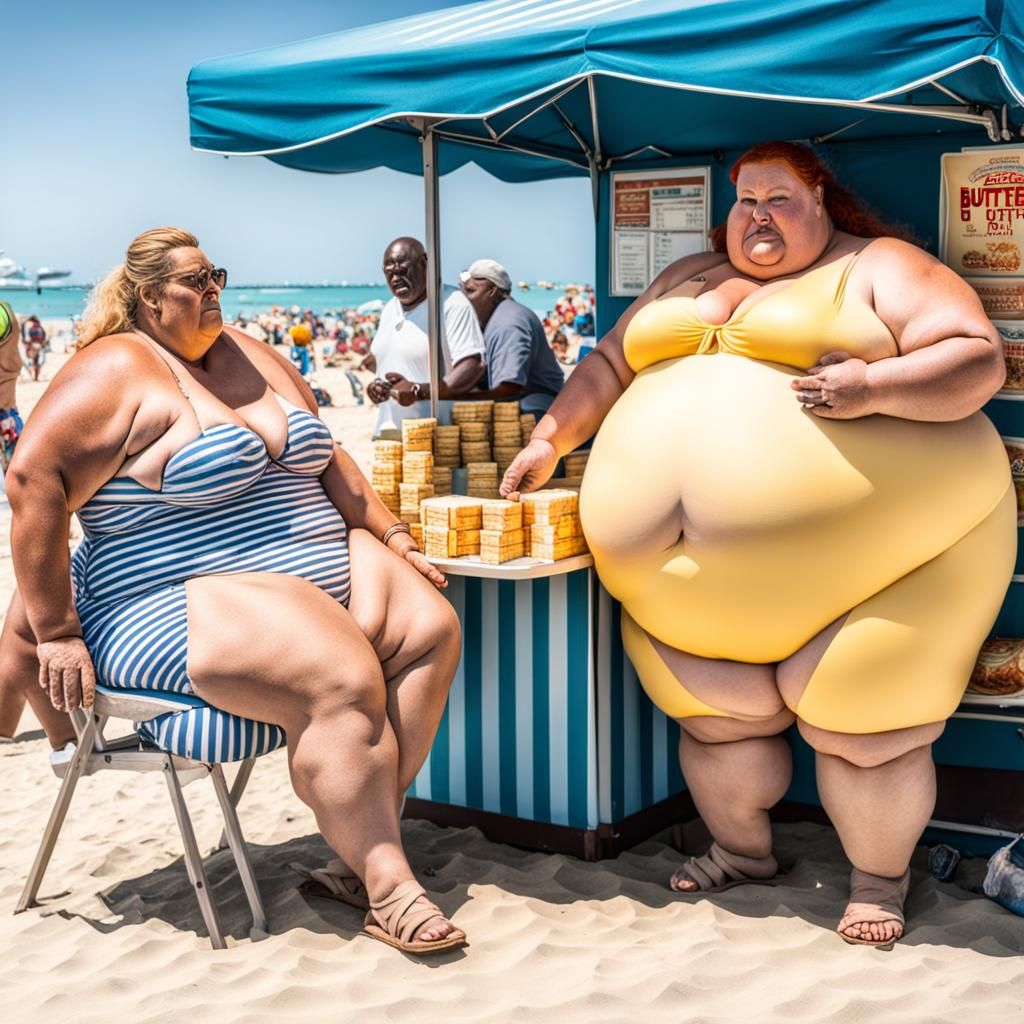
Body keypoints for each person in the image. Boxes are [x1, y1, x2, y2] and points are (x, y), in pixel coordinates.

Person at [501, 141, 1013, 948]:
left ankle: (880, 878)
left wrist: (873, 386)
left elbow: (976, 361)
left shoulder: (878, 265)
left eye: (780, 198)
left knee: (864, 727)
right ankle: (742, 852)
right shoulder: (684, 277)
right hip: (684, 601)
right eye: (746, 200)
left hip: (891, 573)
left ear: (824, 203)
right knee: (717, 720)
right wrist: (551, 439)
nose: (759, 214)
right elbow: (605, 363)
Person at [5, 226, 467, 955]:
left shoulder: (253, 352)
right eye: (195, 282)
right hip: (174, 594)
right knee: (340, 672)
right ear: (150, 298)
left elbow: (331, 456)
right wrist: (57, 630)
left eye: (216, 274)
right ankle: (388, 886)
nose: (214, 290)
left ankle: (362, 841)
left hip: (307, 573)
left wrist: (390, 533)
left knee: (431, 627)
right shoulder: (119, 367)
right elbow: (32, 479)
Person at [407, 258, 564, 416]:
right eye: (461, 292)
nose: (463, 300)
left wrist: (450, 397)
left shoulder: (508, 322)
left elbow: (509, 389)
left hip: (539, 410)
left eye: (470, 291)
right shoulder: (491, 319)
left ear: (492, 290)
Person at [364, 237, 484, 434]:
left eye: (403, 270)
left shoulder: (451, 304)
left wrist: (419, 391)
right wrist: (380, 387)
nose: (395, 278)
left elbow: (472, 365)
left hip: (434, 434)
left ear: (425, 263)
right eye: (389, 272)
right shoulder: (389, 310)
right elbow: (384, 360)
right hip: (389, 433)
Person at [21, 315, 47, 382]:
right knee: (37, 361)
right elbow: (43, 335)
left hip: (32, 345)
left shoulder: (29, 326)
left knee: (31, 361)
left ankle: (34, 376)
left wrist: (26, 344)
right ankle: (35, 377)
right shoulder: (39, 326)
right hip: (38, 344)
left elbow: (27, 337)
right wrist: (42, 343)